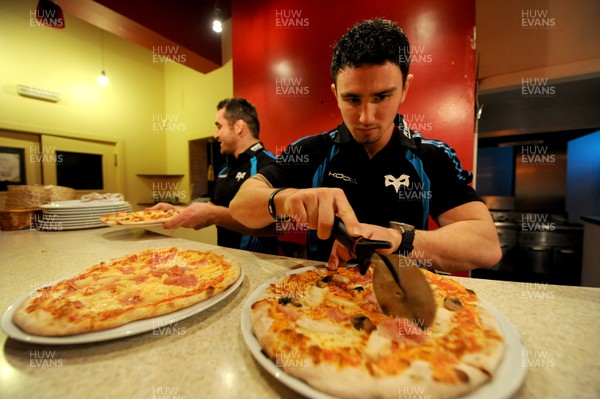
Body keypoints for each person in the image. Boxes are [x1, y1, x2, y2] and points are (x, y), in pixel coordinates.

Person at [229, 19, 501, 272]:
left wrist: (396, 239)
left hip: (404, 311)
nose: (366, 117)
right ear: (335, 94)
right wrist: (286, 200)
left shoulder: (432, 156)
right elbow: (240, 206)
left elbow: (487, 247)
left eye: (382, 96)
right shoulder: (312, 150)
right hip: (320, 306)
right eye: (353, 99)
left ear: (405, 88)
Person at [150, 98, 279, 254]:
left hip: (259, 267)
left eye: (219, 127)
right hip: (224, 263)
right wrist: (174, 209)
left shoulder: (271, 165)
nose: (216, 135)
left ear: (238, 127)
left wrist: (214, 215)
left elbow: (276, 227)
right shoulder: (224, 169)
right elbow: (211, 207)